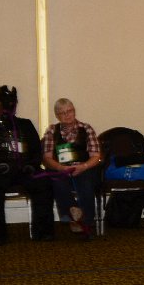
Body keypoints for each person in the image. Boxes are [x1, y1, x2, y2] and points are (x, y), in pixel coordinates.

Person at [0, 86, 55, 245]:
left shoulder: (26, 124)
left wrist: (31, 165)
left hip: (24, 170)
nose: (7, 105)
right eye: (3, 102)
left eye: (11, 102)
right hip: (0, 171)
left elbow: (36, 150)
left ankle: (43, 232)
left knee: (44, 183)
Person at [41, 98, 101, 237]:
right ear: (57, 115)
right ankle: (75, 215)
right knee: (57, 182)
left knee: (86, 183)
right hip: (61, 169)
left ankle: (85, 223)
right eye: (62, 113)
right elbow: (47, 158)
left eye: (69, 111)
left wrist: (84, 166)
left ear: (74, 111)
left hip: (84, 167)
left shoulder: (86, 129)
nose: (67, 115)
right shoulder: (51, 130)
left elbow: (96, 156)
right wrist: (60, 167)